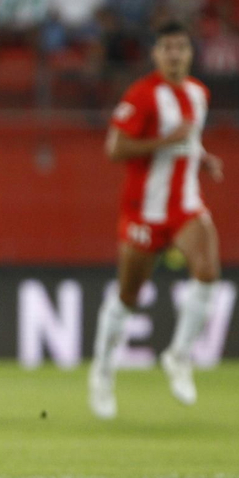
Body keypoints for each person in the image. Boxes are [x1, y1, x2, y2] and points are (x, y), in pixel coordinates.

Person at [89, 22, 224, 420]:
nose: (174, 54)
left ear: (191, 54)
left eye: (181, 47)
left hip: (184, 204)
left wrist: (203, 158)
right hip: (145, 209)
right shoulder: (142, 95)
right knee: (128, 296)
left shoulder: (199, 93)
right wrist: (166, 141)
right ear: (155, 54)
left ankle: (179, 356)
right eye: (167, 47)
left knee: (207, 272)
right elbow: (115, 149)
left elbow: (189, 140)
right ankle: (102, 372)